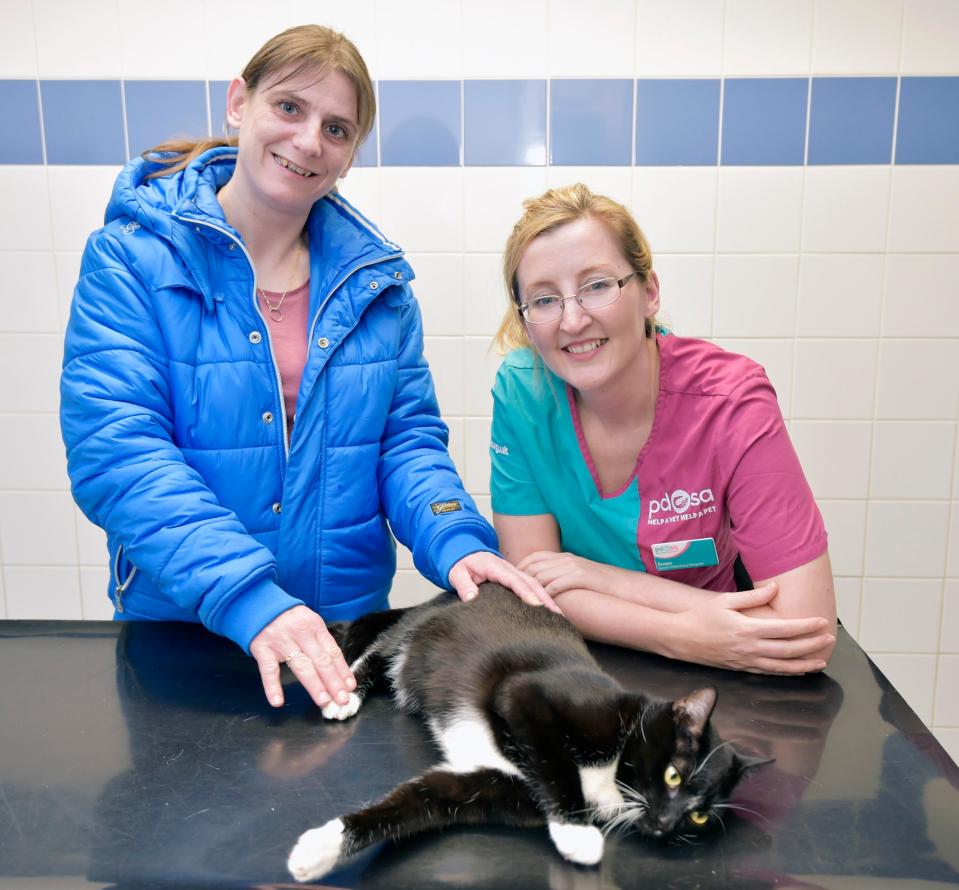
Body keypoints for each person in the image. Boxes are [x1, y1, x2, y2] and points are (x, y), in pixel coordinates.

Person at [59, 25, 549, 713]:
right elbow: (118, 452)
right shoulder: (131, 260)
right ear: (239, 103)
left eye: (337, 128)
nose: (309, 140)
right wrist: (249, 597)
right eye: (289, 107)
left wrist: (455, 538)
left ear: (349, 156)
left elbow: (404, 442)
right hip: (188, 632)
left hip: (342, 634)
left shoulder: (378, 287)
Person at [489, 183, 837, 675]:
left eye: (597, 285)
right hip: (597, 661)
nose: (572, 319)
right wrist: (681, 634)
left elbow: (808, 630)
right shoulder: (523, 393)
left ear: (648, 292)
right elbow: (530, 586)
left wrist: (599, 578)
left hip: (727, 666)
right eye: (544, 300)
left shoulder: (731, 401)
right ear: (526, 324)